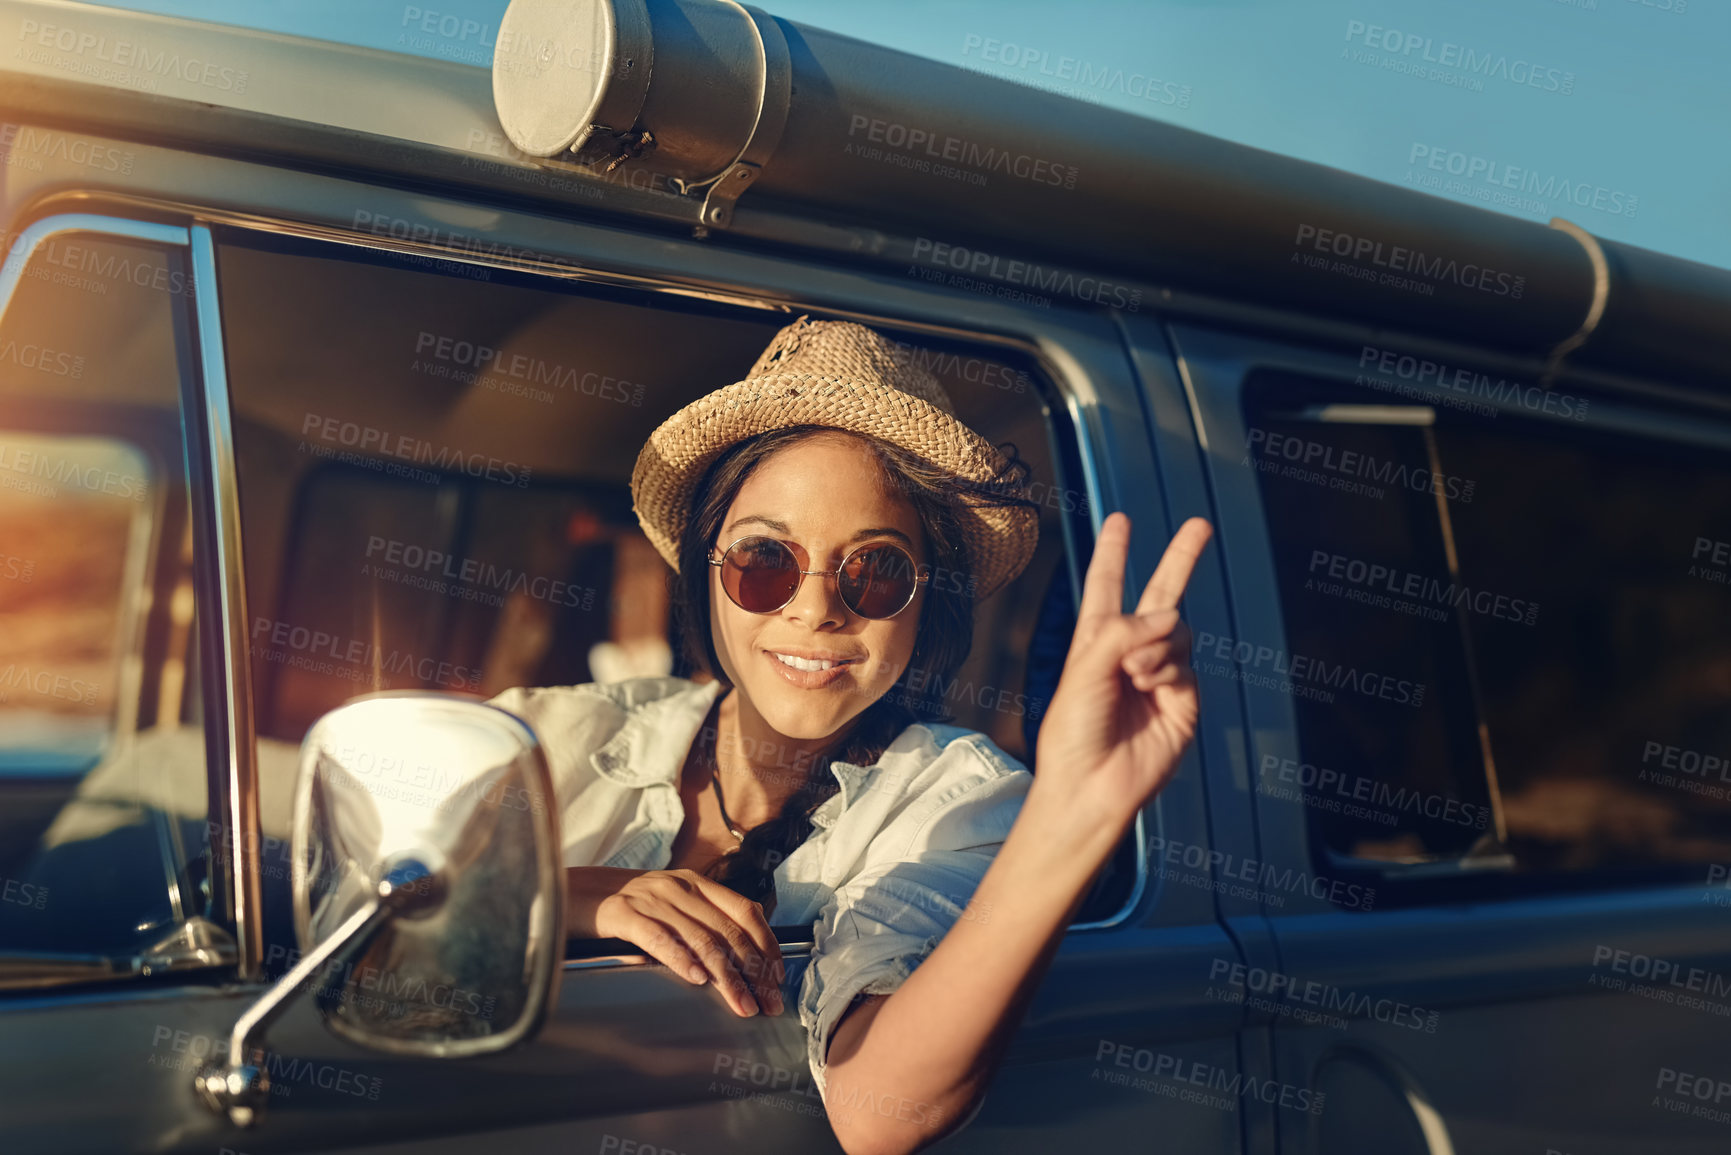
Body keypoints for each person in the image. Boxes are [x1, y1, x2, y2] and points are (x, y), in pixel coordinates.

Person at [487, 316, 1212, 1155]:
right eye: (765, 560)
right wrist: (567, 891)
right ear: (706, 570)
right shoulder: (548, 732)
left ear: (924, 604)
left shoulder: (953, 798)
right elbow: (358, 939)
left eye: (875, 569)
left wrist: (1075, 810)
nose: (815, 608)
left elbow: (876, 1109)